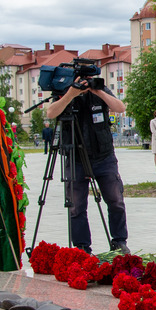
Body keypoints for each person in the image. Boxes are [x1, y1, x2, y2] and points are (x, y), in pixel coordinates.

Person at [45, 75, 130, 255]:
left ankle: (119, 241)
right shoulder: (65, 92)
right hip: (75, 156)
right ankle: (82, 248)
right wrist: (71, 94)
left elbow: (120, 107)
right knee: (76, 206)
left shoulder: (99, 90)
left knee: (116, 200)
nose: (85, 81)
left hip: (104, 155)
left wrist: (96, 90)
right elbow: (51, 113)